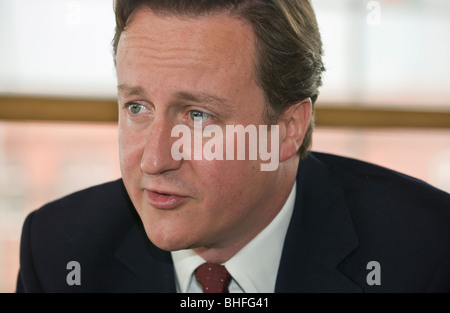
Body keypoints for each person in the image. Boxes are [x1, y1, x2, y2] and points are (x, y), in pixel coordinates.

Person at [16, 0, 450, 293]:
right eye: (137, 107)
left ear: (287, 129)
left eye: (198, 116)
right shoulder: (57, 252)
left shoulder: (426, 251)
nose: (153, 159)